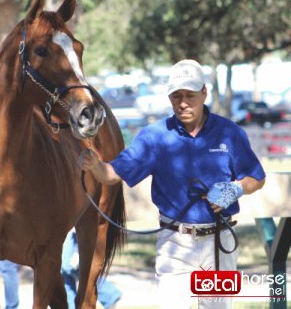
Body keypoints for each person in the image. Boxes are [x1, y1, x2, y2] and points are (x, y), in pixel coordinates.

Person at [78, 59, 266, 309]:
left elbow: (257, 177)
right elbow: (112, 174)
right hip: (174, 243)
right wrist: (94, 166)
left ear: (204, 93)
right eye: (176, 96)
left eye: (190, 95)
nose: (183, 102)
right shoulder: (154, 136)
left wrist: (236, 188)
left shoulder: (229, 132)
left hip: (220, 242)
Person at [61, 230, 122, 309]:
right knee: (63, 274)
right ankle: (71, 307)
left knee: (67, 266)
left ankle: (109, 293)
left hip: (71, 228)